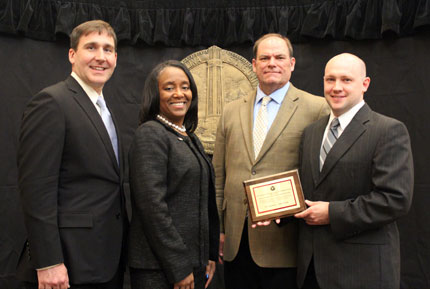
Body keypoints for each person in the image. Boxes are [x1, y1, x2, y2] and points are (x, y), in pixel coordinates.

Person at [212, 33, 329, 289]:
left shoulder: (317, 108)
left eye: (279, 57)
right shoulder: (231, 110)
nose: (271, 63)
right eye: (264, 58)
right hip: (235, 241)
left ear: (292, 63)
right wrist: (219, 229)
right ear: (254, 65)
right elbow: (219, 175)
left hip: (284, 244)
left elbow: (321, 178)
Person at [17, 20, 128, 289]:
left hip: (105, 260)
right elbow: (36, 190)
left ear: (115, 57)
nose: (100, 57)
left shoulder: (104, 108)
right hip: (67, 263)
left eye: (107, 49)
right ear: (72, 55)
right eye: (91, 47)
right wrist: (48, 261)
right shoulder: (52, 103)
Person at [294, 53, 414, 289]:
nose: (336, 87)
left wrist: (332, 213)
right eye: (330, 80)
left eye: (346, 80)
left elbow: (395, 199)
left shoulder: (388, 130)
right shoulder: (311, 133)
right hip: (311, 269)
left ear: (365, 84)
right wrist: (280, 211)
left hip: (361, 272)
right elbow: (307, 192)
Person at [128, 60, 220, 289]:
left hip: (192, 265)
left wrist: (207, 254)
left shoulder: (189, 137)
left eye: (185, 87)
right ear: (155, 94)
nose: (179, 94)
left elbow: (202, 201)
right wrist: (178, 266)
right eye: (169, 88)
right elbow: (152, 209)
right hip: (160, 270)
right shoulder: (150, 134)